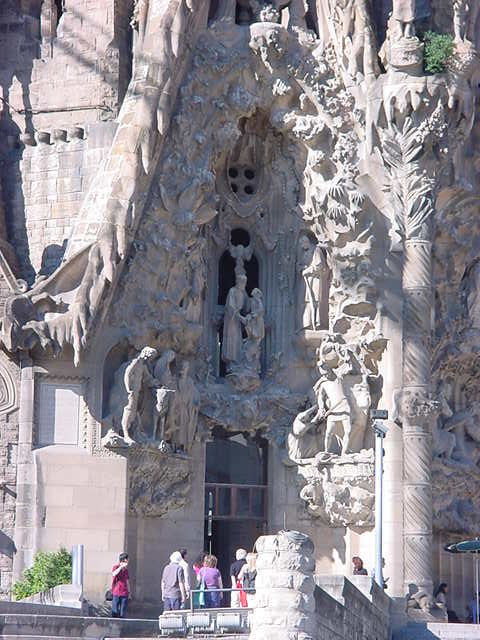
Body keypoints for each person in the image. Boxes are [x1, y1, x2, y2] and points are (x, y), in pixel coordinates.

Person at [111, 552, 131, 618]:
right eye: (127, 560)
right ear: (123, 560)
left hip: (124, 593)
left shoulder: (126, 570)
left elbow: (127, 581)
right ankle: (114, 623)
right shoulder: (116, 567)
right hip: (116, 592)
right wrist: (121, 567)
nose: (128, 561)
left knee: (123, 613)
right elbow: (114, 574)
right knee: (115, 611)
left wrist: (129, 592)